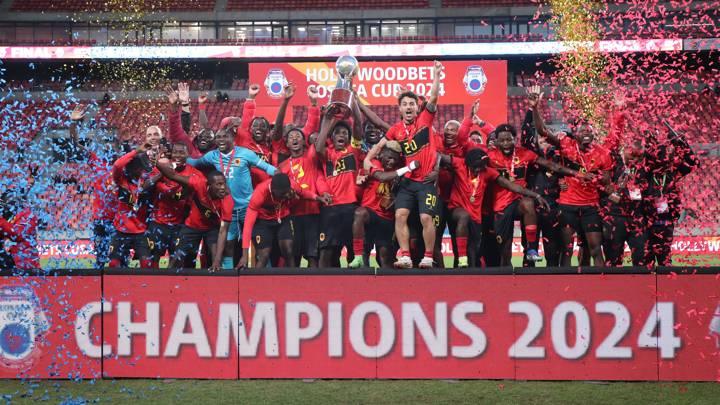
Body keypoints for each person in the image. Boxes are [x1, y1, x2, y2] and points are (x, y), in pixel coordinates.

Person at [363, 60, 444, 268]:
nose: (408, 107)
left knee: (426, 218)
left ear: (418, 108)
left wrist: (436, 75)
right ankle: (405, 256)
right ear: (399, 109)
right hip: (407, 182)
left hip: (426, 181)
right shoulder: (396, 130)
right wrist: (367, 160)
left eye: (412, 104)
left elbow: (433, 96)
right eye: (405, 104)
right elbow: (379, 146)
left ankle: (427, 257)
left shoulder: (425, 121)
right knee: (400, 215)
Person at [529, 85, 612, 267]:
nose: (586, 134)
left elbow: (607, 183)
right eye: (582, 131)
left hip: (590, 206)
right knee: (566, 249)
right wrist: (535, 108)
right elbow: (543, 131)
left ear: (594, 133)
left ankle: (603, 284)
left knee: (595, 248)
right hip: (567, 207)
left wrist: (604, 181)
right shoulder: (566, 144)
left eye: (589, 131)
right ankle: (565, 287)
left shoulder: (603, 154)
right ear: (575, 134)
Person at [488, 123, 586, 266]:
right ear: (496, 141)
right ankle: (508, 283)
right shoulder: (489, 156)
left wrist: (576, 174)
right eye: (502, 140)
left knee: (528, 204)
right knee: (504, 253)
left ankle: (532, 249)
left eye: (509, 139)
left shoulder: (525, 154)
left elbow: (552, 166)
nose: (506, 143)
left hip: (519, 201)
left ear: (515, 139)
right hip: (500, 206)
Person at [439, 148, 550, 267]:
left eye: (481, 166)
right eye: (475, 167)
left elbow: (512, 186)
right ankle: (462, 259)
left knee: (473, 251)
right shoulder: (459, 163)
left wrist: (536, 195)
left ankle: (468, 273)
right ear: (468, 163)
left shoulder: (488, 172)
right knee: (464, 217)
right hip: (456, 208)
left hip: (476, 217)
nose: (478, 169)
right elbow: (437, 156)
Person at [186, 124, 277, 268]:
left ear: (233, 139)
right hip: (228, 208)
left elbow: (266, 167)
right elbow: (195, 163)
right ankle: (229, 274)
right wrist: (179, 159)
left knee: (258, 243)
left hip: (248, 207)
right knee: (228, 244)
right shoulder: (213, 155)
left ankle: (265, 276)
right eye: (218, 137)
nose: (221, 140)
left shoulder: (245, 153)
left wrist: (279, 174)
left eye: (224, 136)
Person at [156, 159, 234, 271]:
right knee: (177, 258)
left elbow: (223, 231)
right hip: (192, 226)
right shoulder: (198, 182)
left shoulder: (228, 199)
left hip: (212, 228)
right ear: (209, 185)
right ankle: (169, 283)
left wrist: (217, 261)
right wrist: (158, 163)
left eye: (224, 184)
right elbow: (173, 176)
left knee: (215, 256)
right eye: (219, 184)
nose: (223, 188)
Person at [237, 173, 329, 268]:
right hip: (263, 222)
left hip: (283, 217)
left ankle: (292, 280)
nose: (285, 195)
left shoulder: (292, 185)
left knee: (288, 250)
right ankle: (256, 282)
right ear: (273, 190)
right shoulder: (259, 193)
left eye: (287, 192)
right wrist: (244, 256)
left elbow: (303, 193)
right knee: (264, 255)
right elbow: (248, 225)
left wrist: (318, 198)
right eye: (282, 194)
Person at [349, 142, 416, 268]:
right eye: (389, 157)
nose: (391, 162)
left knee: (385, 257)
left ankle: (389, 286)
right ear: (381, 154)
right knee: (360, 214)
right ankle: (358, 258)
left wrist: (395, 199)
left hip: (387, 218)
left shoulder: (398, 166)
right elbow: (382, 177)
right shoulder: (373, 163)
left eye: (395, 159)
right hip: (371, 213)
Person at [315, 105, 365, 268]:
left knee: (352, 252)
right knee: (327, 252)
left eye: (345, 133)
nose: (341, 135)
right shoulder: (327, 154)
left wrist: (355, 103)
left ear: (349, 138)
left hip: (350, 206)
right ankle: (325, 290)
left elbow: (358, 124)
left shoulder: (353, 151)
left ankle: (356, 290)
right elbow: (318, 146)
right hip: (330, 208)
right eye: (338, 132)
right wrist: (328, 120)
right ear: (333, 137)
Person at [645, 122, 698, 265]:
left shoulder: (672, 173)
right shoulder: (644, 174)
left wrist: (675, 139)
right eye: (657, 155)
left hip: (665, 223)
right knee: (645, 263)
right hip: (645, 224)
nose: (661, 158)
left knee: (664, 261)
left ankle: (665, 286)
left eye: (663, 155)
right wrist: (650, 139)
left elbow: (693, 162)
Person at [277, 126, 329, 267]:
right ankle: (293, 287)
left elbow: (319, 142)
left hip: (313, 213)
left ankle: (314, 287)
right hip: (292, 214)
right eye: (291, 137)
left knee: (313, 255)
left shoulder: (311, 156)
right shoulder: (282, 167)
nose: (295, 138)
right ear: (287, 144)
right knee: (293, 257)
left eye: (298, 136)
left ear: (304, 142)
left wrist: (326, 119)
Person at [144, 143, 201, 267]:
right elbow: (145, 186)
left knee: (177, 262)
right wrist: (163, 173)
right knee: (153, 260)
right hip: (158, 222)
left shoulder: (193, 172)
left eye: (182, 152)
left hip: (180, 224)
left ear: (188, 154)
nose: (178, 155)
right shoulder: (161, 168)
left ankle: (172, 285)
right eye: (176, 152)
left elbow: (181, 195)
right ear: (171, 153)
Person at [107, 144, 154, 268]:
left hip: (141, 231)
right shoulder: (120, 180)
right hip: (121, 230)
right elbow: (117, 165)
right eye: (139, 168)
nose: (141, 171)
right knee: (114, 264)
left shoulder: (147, 181)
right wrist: (136, 151)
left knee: (146, 263)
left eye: (142, 168)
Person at [166, 84, 215, 160]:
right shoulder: (190, 149)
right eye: (201, 136)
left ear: (214, 141)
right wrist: (174, 106)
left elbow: (205, 126)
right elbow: (176, 130)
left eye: (208, 137)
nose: (203, 138)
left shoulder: (218, 153)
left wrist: (201, 106)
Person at [0, 191, 39, 271]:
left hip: (25, 265)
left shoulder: (28, 215)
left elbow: (18, 234)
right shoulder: (8, 216)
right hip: (9, 264)